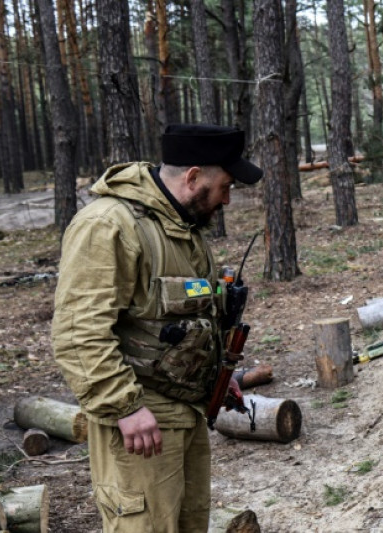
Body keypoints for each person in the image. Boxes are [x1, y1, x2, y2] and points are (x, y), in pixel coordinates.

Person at [52, 124, 263, 532]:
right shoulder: (109, 226)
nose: (228, 198)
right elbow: (79, 332)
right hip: (139, 422)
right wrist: (124, 408)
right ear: (193, 177)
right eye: (225, 185)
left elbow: (188, 317)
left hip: (184, 413)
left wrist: (219, 372)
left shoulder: (183, 228)